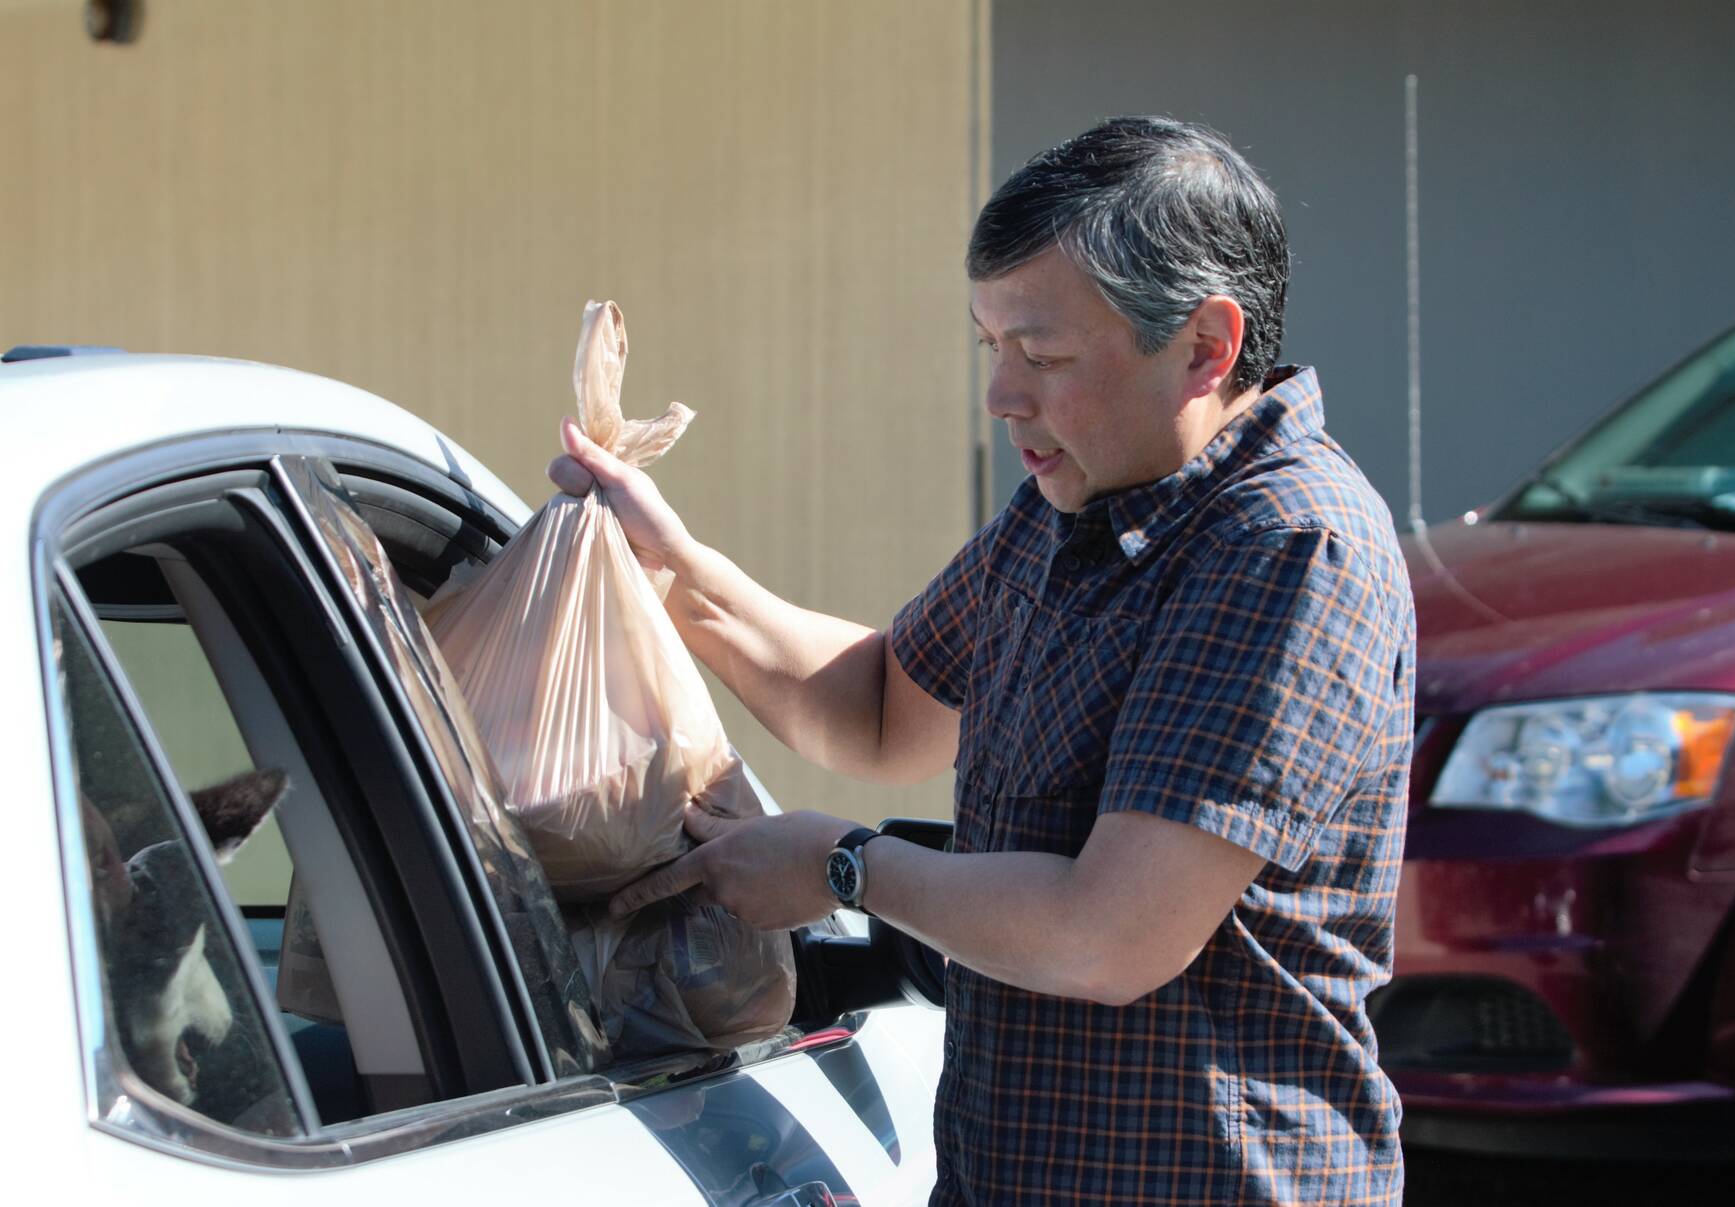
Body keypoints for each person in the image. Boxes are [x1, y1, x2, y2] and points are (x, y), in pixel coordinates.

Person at [550, 115, 1415, 1205]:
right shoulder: (1068, 505)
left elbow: (1109, 937)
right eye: (989, 347)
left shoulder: (1285, 546)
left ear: (1205, 345)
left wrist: (842, 867)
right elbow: (873, 710)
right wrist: (672, 572)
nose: (1003, 397)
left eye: (1042, 356)